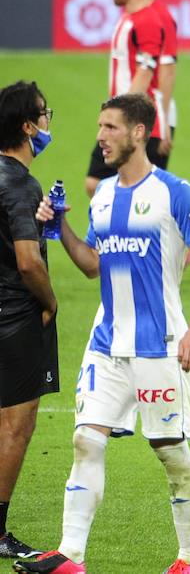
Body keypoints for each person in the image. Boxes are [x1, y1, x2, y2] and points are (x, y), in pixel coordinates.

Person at [20, 94, 190, 574]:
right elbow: (93, 265)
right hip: (107, 343)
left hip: (160, 345)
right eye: (99, 127)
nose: (101, 137)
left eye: (110, 127)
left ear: (138, 132)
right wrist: (62, 226)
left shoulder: (176, 192)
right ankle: (70, 554)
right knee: (86, 439)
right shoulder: (104, 194)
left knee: (169, 451)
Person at [0, 83, 59, 560]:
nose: (47, 124)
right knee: (16, 428)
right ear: (26, 126)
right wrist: (52, 301)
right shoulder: (21, 183)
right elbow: (28, 262)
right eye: (43, 116)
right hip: (15, 319)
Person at [85, 0, 170, 197]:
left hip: (137, 123)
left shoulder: (148, 22)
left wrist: (121, 118)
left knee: (134, 192)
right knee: (100, 184)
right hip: (127, 119)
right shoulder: (129, 18)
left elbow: (145, 72)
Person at [124, 0, 178, 169]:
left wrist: (163, 122)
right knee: (102, 182)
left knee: (144, 186)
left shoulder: (160, 17)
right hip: (133, 111)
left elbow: (167, 70)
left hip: (151, 115)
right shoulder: (132, 14)